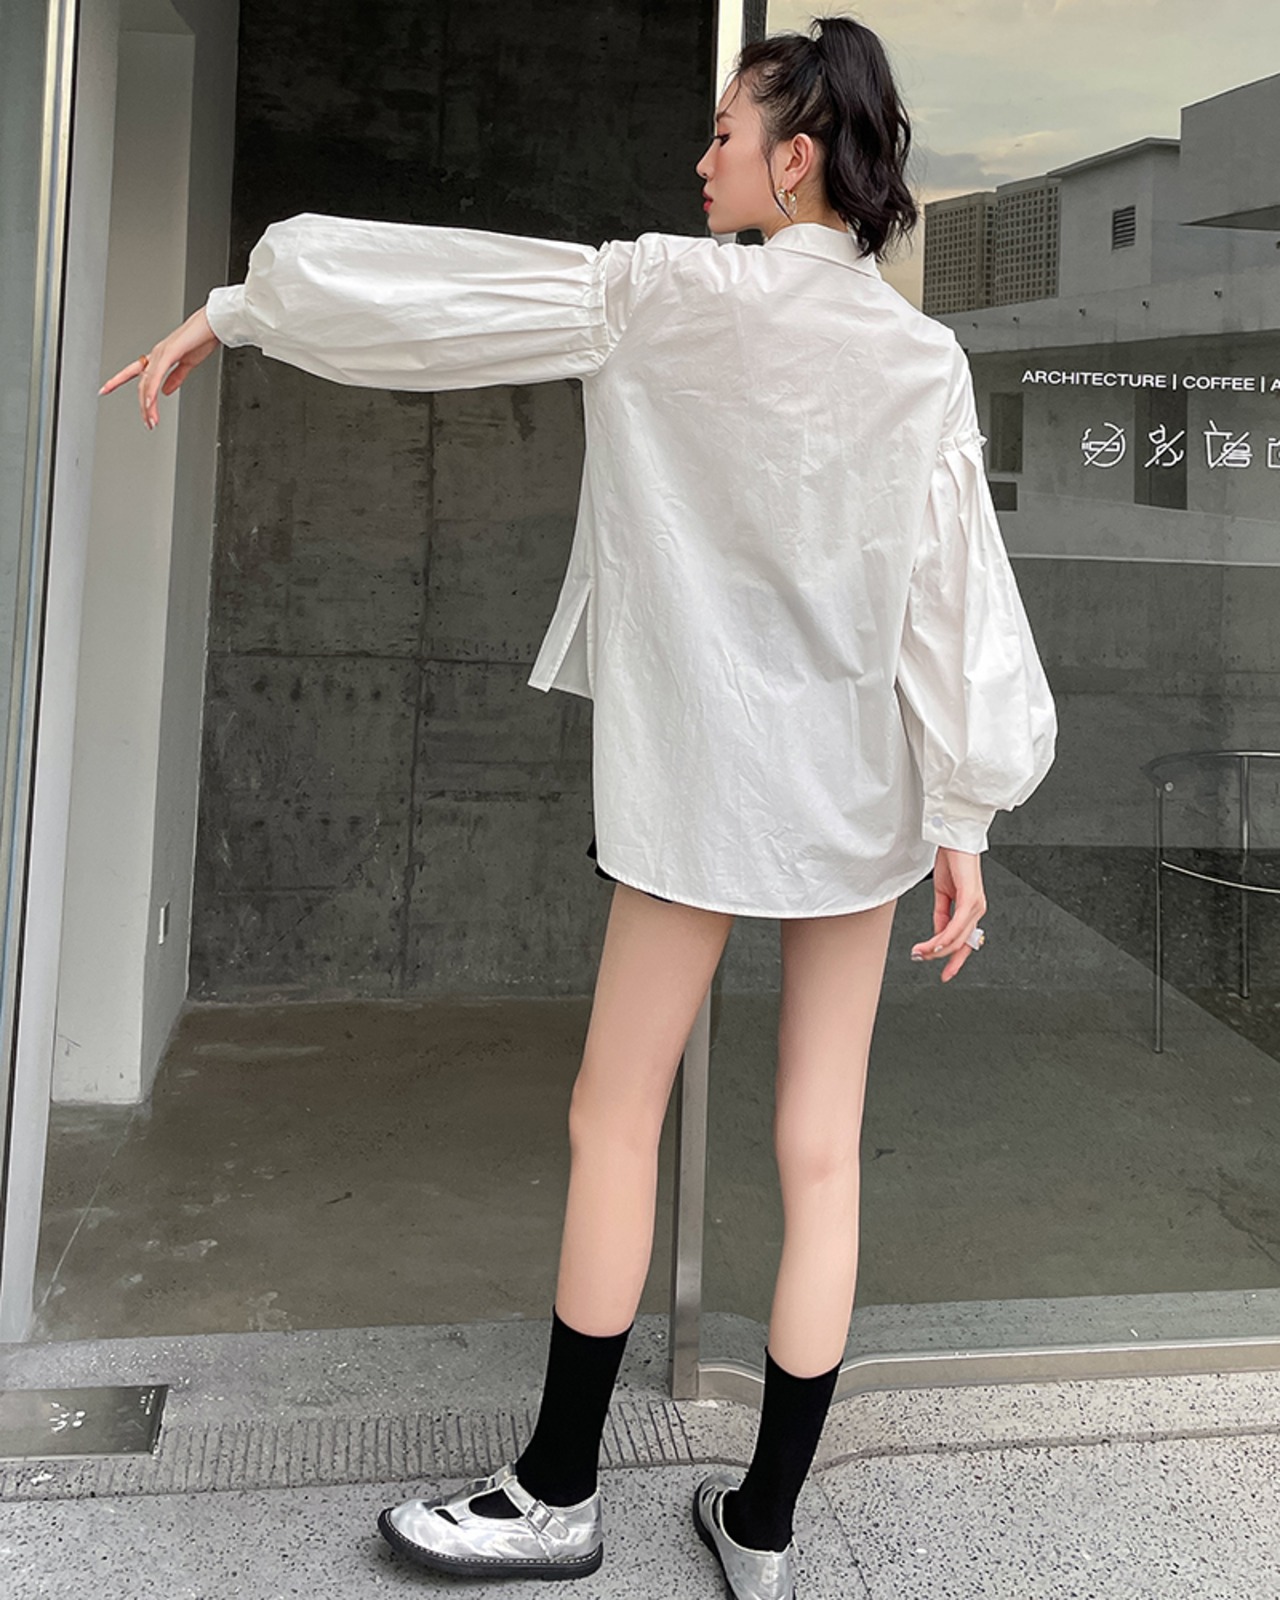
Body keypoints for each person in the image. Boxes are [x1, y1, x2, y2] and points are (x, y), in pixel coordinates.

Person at [100, 14, 1056, 1598]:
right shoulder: (922, 358)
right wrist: (966, 817)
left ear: (796, 158)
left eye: (726, 134)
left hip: (703, 788)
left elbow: (440, 294)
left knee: (615, 1119)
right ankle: (764, 1530)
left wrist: (237, 309)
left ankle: (556, 1494)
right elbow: (960, 604)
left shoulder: (662, 295)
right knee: (822, 1152)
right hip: (860, 798)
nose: (702, 157)